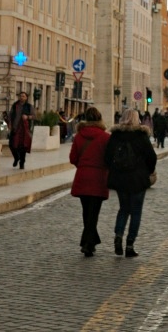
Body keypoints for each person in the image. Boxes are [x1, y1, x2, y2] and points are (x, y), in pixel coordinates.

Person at [105, 108, 157, 258]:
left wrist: (114, 169)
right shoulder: (141, 136)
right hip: (138, 178)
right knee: (136, 211)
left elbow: (107, 156)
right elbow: (151, 157)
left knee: (123, 208)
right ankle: (129, 244)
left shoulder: (116, 135)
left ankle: (118, 235)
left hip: (121, 178)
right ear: (137, 119)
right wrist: (148, 171)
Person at [69, 107, 110, 257]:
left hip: (82, 177)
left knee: (87, 212)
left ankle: (90, 242)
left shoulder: (79, 136)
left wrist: (84, 164)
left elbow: (73, 158)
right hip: (98, 178)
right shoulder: (106, 137)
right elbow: (109, 159)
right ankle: (88, 244)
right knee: (93, 213)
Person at [7, 92, 34, 168]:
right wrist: (9, 123)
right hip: (15, 128)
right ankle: (16, 158)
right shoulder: (15, 105)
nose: (22, 97)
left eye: (23, 96)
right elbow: (10, 114)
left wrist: (28, 117)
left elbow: (34, 116)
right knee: (11, 144)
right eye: (20, 96)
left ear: (26, 98)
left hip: (24, 129)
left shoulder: (29, 106)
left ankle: (22, 163)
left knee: (23, 147)